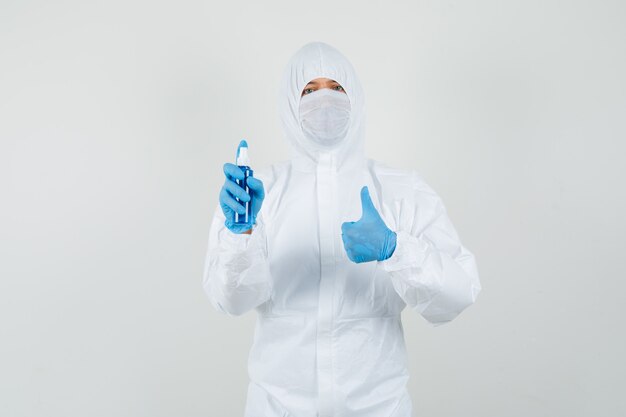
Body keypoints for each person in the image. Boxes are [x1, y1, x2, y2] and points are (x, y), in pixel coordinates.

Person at [202, 41, 481, 417]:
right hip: (277, 407)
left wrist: (396, 250)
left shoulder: (400, 190)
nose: (324, 101)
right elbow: (231, 301)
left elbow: (458, 294)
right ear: (289, 103)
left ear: (356, 97)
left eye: (336, 88)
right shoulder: (257, 195)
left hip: (378, 408)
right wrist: (241, 237)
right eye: (309, 90)